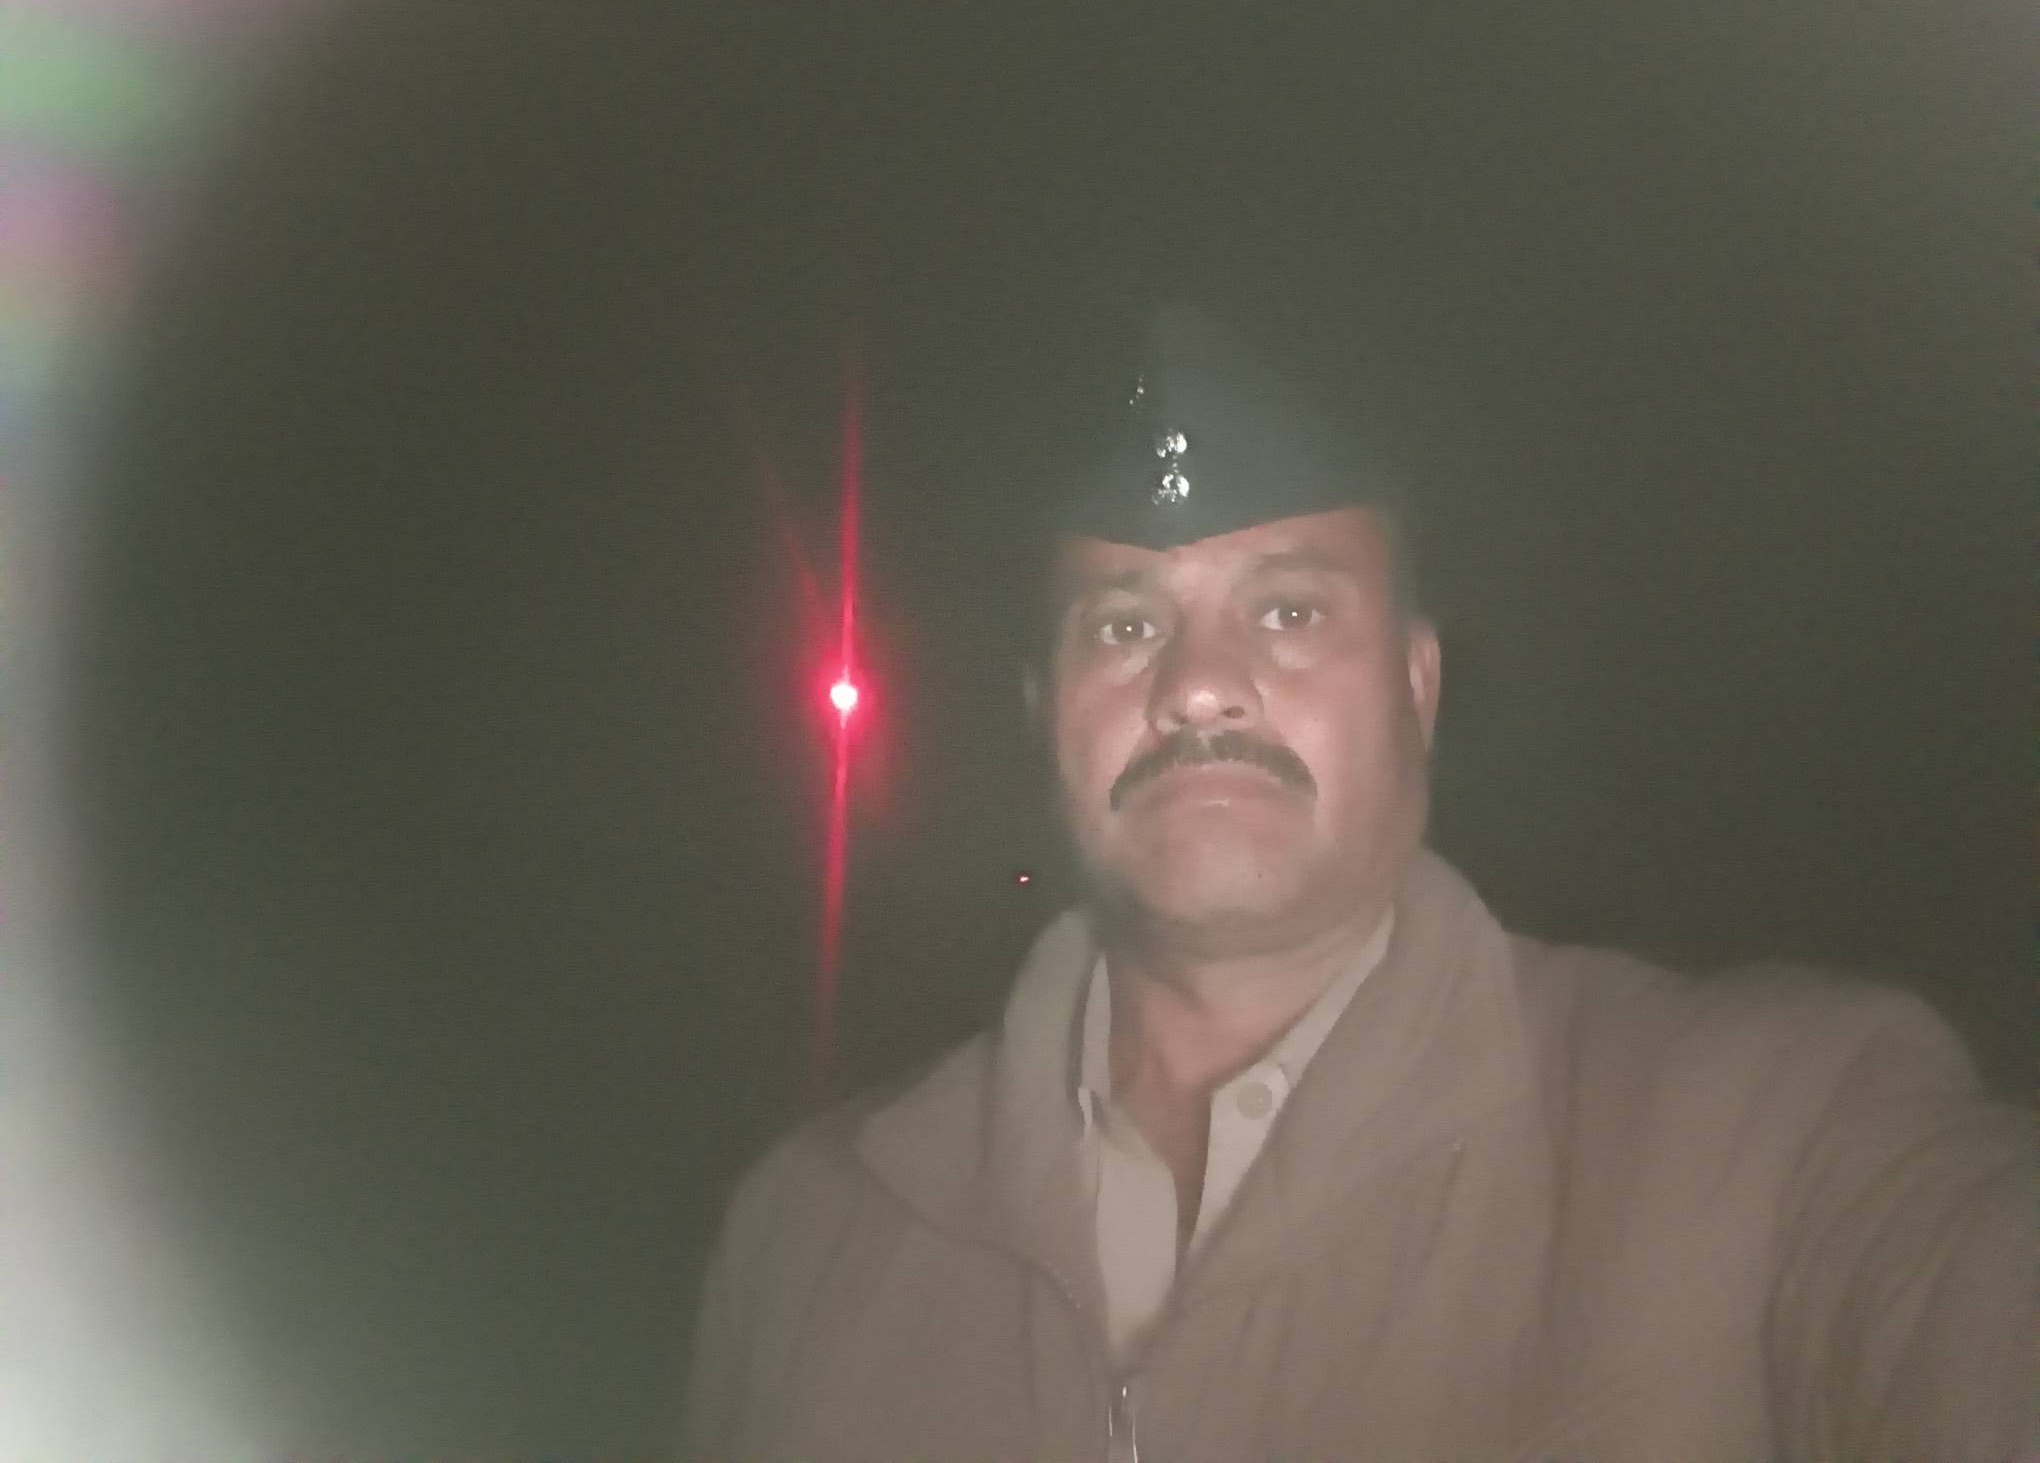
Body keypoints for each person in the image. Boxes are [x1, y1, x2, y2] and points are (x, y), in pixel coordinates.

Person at [682, 304, 2035, 1462]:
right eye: (1126, 622)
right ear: (1047, 717)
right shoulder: (807, 1238)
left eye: (1289, 610)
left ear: (1416, 684)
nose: (1197, 685)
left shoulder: (1767, 1130)